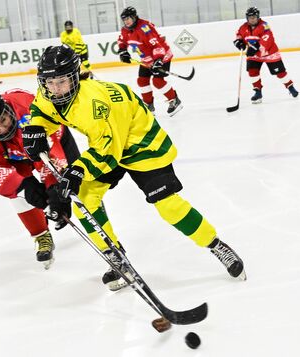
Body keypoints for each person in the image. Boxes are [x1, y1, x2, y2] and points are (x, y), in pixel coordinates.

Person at [22, 45, 247, 291]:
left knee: (168, 205)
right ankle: (115, 256)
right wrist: (36, 127)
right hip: (109, 142)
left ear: (74, 77)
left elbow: (108, 151)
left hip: (142, 144)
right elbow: (40, 109)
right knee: (86, 196)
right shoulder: (48, 93)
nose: (55, 89)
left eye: (62, 81)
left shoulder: (95, 104)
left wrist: (77, 171)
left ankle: (216, 245)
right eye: (49, 82)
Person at [0, 88, 79, 269]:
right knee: (20, 193)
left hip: (48, 140)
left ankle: (101, 234)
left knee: (76, 185)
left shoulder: (29, 114)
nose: (2, 129)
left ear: (8, 111)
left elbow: (50, 156)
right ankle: (41, 235)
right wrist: (24, 187)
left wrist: (54, 189)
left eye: (3, 120)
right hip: (13, 155)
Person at [116, 6, 181, 116]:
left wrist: (158, 60)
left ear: (134, 17)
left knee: (158, 81)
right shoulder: (125, 30)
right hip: (146, 60)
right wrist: (123, 51)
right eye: (124, 20)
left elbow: (157, 45)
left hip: (162, 56)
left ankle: (174, 100)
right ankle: (149, 106)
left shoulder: (144, 27)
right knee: (142, 81)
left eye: (128, 19)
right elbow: (122, 40)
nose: (126, 22)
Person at [233, 7, 299, 103]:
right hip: (254, 55)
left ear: (258, 17)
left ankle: (290, 87)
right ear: (247, 18)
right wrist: (238, 42)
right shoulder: (243, 27)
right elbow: (239, 35)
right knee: (252, 71)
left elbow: (267, 40)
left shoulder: (264, 25)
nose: (252, 19)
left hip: (269, 53)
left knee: (280, 72)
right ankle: (258, 92)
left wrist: (255, 48)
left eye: (254, 17)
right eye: (250, 17)